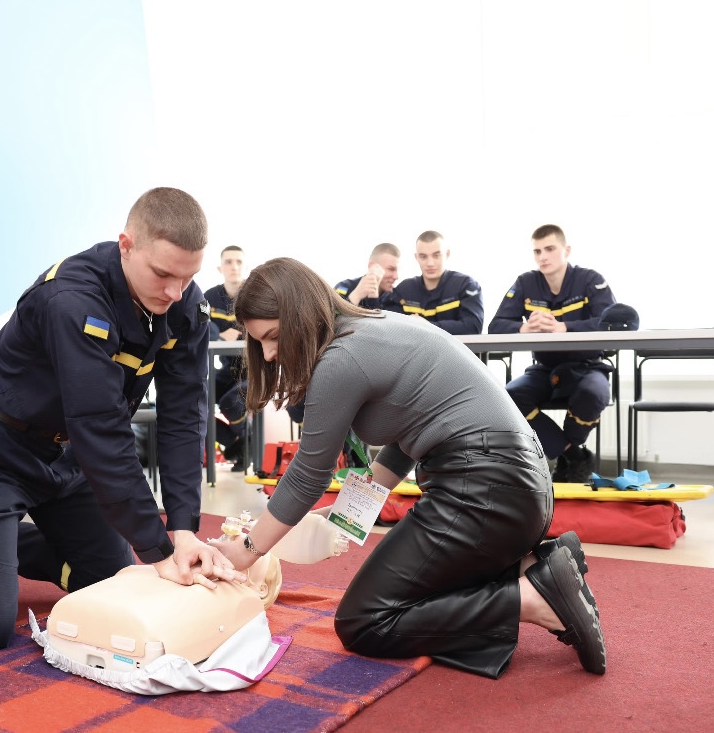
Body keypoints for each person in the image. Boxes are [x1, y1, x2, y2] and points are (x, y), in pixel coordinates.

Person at [0, 187, 244, 651]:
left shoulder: (186, 305)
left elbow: (182, 419)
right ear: (126, 245)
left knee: (113, 585)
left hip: (71, 463)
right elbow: (101, 430)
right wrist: (159, 550)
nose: (175, 292)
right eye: (162, 274)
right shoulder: (72, 299)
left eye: (188, 277)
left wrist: (182, 530)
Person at [210, 257, 606, 678]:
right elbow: (403, 446)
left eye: (273, 337)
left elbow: (309, 473)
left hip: (485, 490)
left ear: (300, 315)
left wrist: (246, 551)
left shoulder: (342, 357)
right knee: (410, 592)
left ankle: (531, 598)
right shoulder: (376, 327)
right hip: (519, 487)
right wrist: (343, 516)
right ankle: (537, 568)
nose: (269, 354)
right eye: (259, 343)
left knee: (366, 621)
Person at [488, 225, 618, 483]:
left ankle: (568, 455)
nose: (542, 257)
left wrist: (565, 327)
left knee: (594, 393)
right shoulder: (525, 282)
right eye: (537, 251)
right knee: (508, 398)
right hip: (545, 370)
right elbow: (495, 326)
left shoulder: (590, 279)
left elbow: (611, 322)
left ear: (566, 250)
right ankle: (573, 455)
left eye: (549, 249)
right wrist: (523, 328)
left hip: (587, 366)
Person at [204, 245, 249, 471]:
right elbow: (201, 326)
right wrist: (219, 336)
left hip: (253, 371)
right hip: (226, 370)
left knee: (231, 402)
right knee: (192, 402)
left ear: (245, 266)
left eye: (239, 262)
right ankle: (239, 444)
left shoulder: (256, 294)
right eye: (229, 262)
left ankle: (244, 446)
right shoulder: (208, 297)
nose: (234, 266)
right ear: (220, 268)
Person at [392, 231, 484, 334]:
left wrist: (427, 326)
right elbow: (391, 328)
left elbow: (473, 327)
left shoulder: (466, 286)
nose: (430, 263)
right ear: (416, 257)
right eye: (423, 257)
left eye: (436, 255)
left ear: (447, 254)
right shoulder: (404, 290)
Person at [333, 242, 402, 311]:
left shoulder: (396, 298)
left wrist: (373, 299)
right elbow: (332, 315)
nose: (396, 277)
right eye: (391, 269)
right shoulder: (345, 287)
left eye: (397, 270)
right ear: (372, 266)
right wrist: (356, 296)